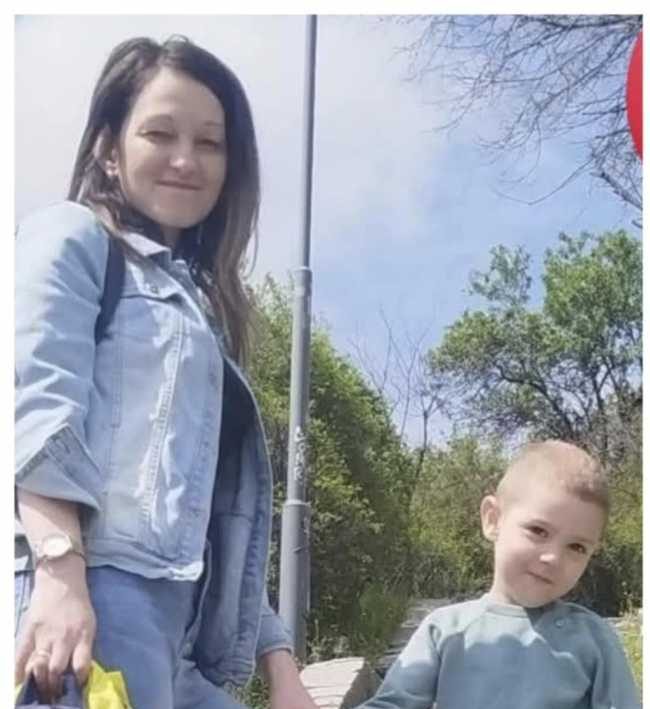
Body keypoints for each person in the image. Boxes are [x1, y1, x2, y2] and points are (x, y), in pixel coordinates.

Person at [14, 35, 318, 709]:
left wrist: (281, 664)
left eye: (210, 142)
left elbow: (221, 518)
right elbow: (33, 405)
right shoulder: (73, 236)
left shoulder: (204, 315)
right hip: (90, 599)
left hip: (175, 638)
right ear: (108, 147)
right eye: (159, 133)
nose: (186, 159)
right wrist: (60, 573)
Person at [357, 440, 640, 709]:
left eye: (577, 547)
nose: (553, 558)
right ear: (493, 519)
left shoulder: (593, 639)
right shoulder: (445, 630)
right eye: (538, 531)